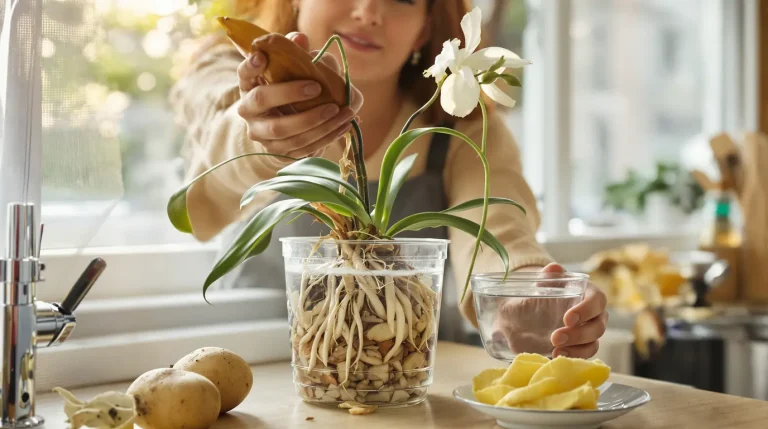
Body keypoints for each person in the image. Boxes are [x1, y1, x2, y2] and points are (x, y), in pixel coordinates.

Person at [170, 0, 608, 359]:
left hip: (397, 374)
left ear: (423, 31)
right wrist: (266, 139)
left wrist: (524, 294)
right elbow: (217, 152)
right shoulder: (234, 74)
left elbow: (497, 226)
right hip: (248, 370)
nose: (369, 11)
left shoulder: (457, 130)